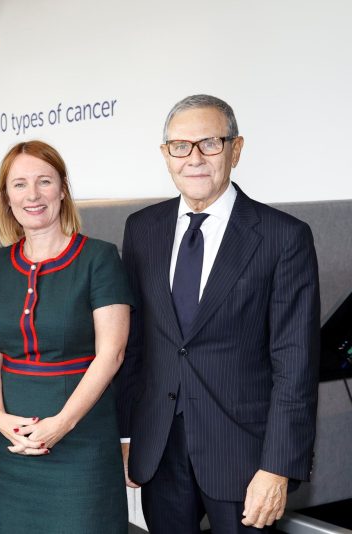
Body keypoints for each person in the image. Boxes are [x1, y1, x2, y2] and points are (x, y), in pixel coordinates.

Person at [116, 94, 320, 533]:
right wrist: (129, 435)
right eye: (180, 146)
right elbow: (134, 345)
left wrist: (277, 467)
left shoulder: (283, 238)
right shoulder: (141, 229)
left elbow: (295, 364)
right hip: (160, 449)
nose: (194, 158)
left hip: (246, 458)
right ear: (165, 154)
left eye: (209, 143)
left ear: (236, 149)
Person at [0, 140, 132, 533]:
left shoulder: (100, 258)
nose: (33, 195)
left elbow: (111, 354)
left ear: (63, 188)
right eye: (20, 184)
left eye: (44, 181)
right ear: (6, 197)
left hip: (82, 440)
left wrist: (60, 424)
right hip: (13, 442)